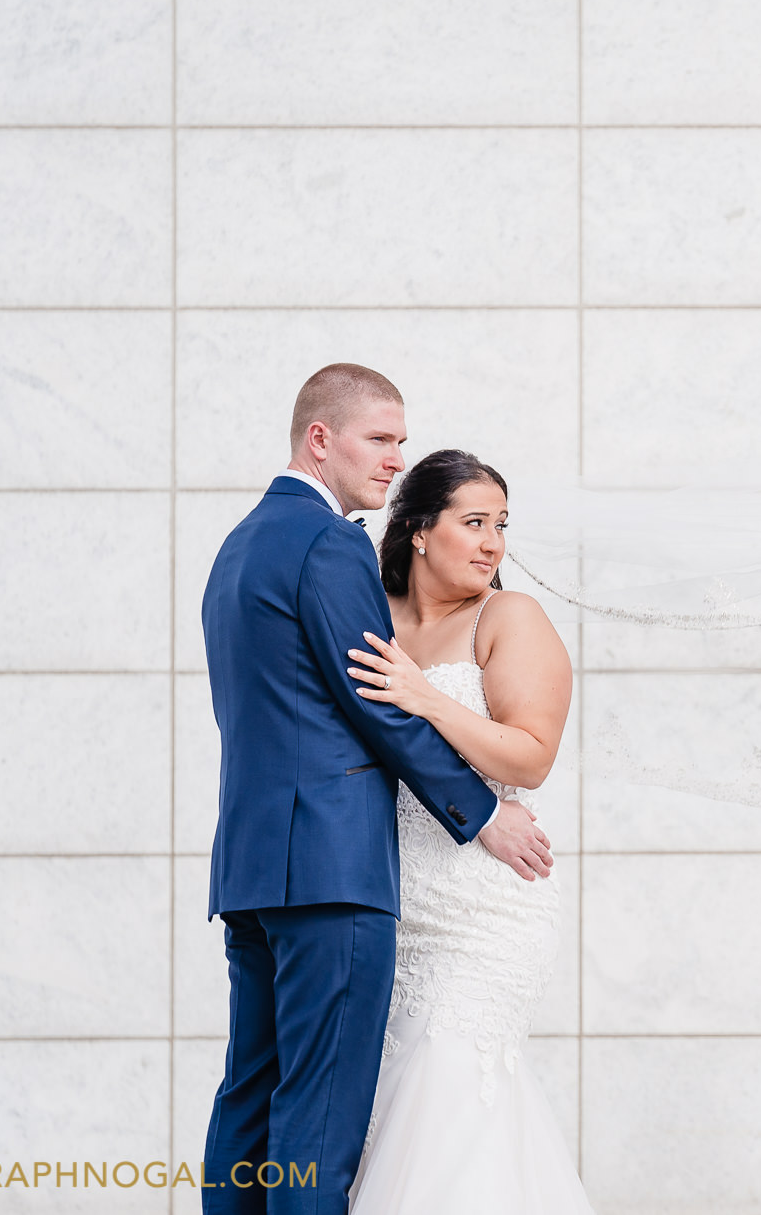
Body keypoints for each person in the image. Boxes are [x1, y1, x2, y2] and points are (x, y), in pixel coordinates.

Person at [200, 364, 553, 1215]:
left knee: (249, 1096)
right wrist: (479, 818)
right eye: (382, 438)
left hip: (253, 867)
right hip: (331, 869)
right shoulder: (329, 543)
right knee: (319, 1121)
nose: (396, 458)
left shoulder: (238, 545)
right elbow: (374, 702)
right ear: (321, 438)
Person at [341, 448, 593, 1213]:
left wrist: (426, 697)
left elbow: (531, 754)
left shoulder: (507, 616)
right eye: (474, 521)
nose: (493, 542)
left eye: (501, 525)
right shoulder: (368, 613)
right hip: (392, 898)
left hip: (486, 905)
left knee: (450, 1088)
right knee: (391, 1105)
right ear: (418, 528)